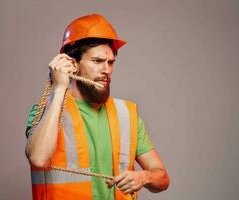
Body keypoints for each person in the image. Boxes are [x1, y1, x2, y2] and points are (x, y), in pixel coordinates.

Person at [25, 14, 169, 200]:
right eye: (97, 61)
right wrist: (59, 88)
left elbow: (162, 178)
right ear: (72, 64)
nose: (106, 70)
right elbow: (38, 158)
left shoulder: (127, 116)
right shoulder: (46, 111)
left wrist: (144, 176)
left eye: (110, 62)